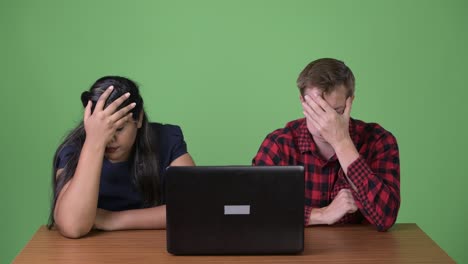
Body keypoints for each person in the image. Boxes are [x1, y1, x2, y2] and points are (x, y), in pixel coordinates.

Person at [252, 58, 400, 231]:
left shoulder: (378, 141)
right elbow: (256, 210)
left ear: (350, 102)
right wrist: (322, 214)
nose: (326, 123)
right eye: (317, 110)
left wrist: (342, 142)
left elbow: (386, 217)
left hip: (360, 254)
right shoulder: (279, 145)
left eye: (336, 112)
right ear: (302, 102)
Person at [48, 76, 195, 238]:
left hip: (151, 247)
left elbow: (192, 208)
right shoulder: (74, 150)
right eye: (102, 129)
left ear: (138, 119)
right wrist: (94, 141)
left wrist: (112, 220)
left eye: (118, 129)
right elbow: (72, 226)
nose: (110, 139)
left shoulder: (166, 140)